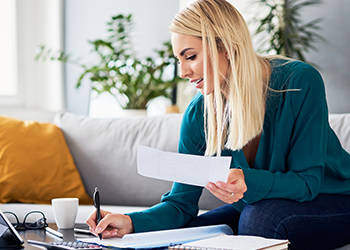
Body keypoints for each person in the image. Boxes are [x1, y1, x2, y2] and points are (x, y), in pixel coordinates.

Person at [86, 0, 350, 249]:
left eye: (190, 57)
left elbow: (308, 182)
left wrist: (249, 181)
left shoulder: (299, 82)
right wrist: (131, 223)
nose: (183, 72)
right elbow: (181, 204)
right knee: (186, 235)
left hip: (334, 199)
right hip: (262, 205)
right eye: (179, 60)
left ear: (226, 46)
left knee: (258, 219)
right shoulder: (199, 114)